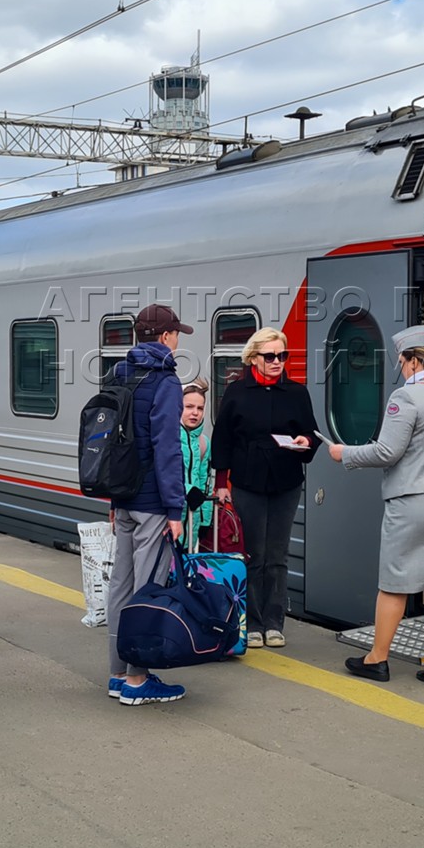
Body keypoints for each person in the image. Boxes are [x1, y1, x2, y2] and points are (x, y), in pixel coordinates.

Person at [330, 324, 424, 690]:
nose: (400, 367)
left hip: (415, 500)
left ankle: (377, 659)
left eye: (401, 360)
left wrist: (344, 453)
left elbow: (386, 452)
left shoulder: (406, 398)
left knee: (395, 582)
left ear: (411, 361)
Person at [210, 327, 318, 649]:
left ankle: (274, 622)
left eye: (281, 356)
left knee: (277, 555)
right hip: (248, 480)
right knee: (252, 553)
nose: (276, 362)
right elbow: (223, 438)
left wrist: (306, 442)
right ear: (253, 357)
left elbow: (312, 434)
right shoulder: (237, 392)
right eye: (269, 356)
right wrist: (221, 483)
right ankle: (253, 622)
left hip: (286, 480)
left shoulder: (297, 393)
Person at [105, 303, 190, 706]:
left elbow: (111, 442)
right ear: (165, 337)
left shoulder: (119, 373)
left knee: (120, 585)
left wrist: (112, 497)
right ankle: (138, 680)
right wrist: (176, 509)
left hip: (122, 496)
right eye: (176, 334)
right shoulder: (167, 382)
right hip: (153, 502)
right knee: (146, 587)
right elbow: (167, 450)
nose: (177, 340)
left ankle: (117, 673)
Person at [179, 378, 212, 551]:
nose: (195, 413)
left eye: (200, 408)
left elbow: (205, 481)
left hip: (193, 521)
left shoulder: (203, 442)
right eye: (189, 407)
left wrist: (206, 519)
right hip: (171, 520)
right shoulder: (168, 438)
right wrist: (187, 489)